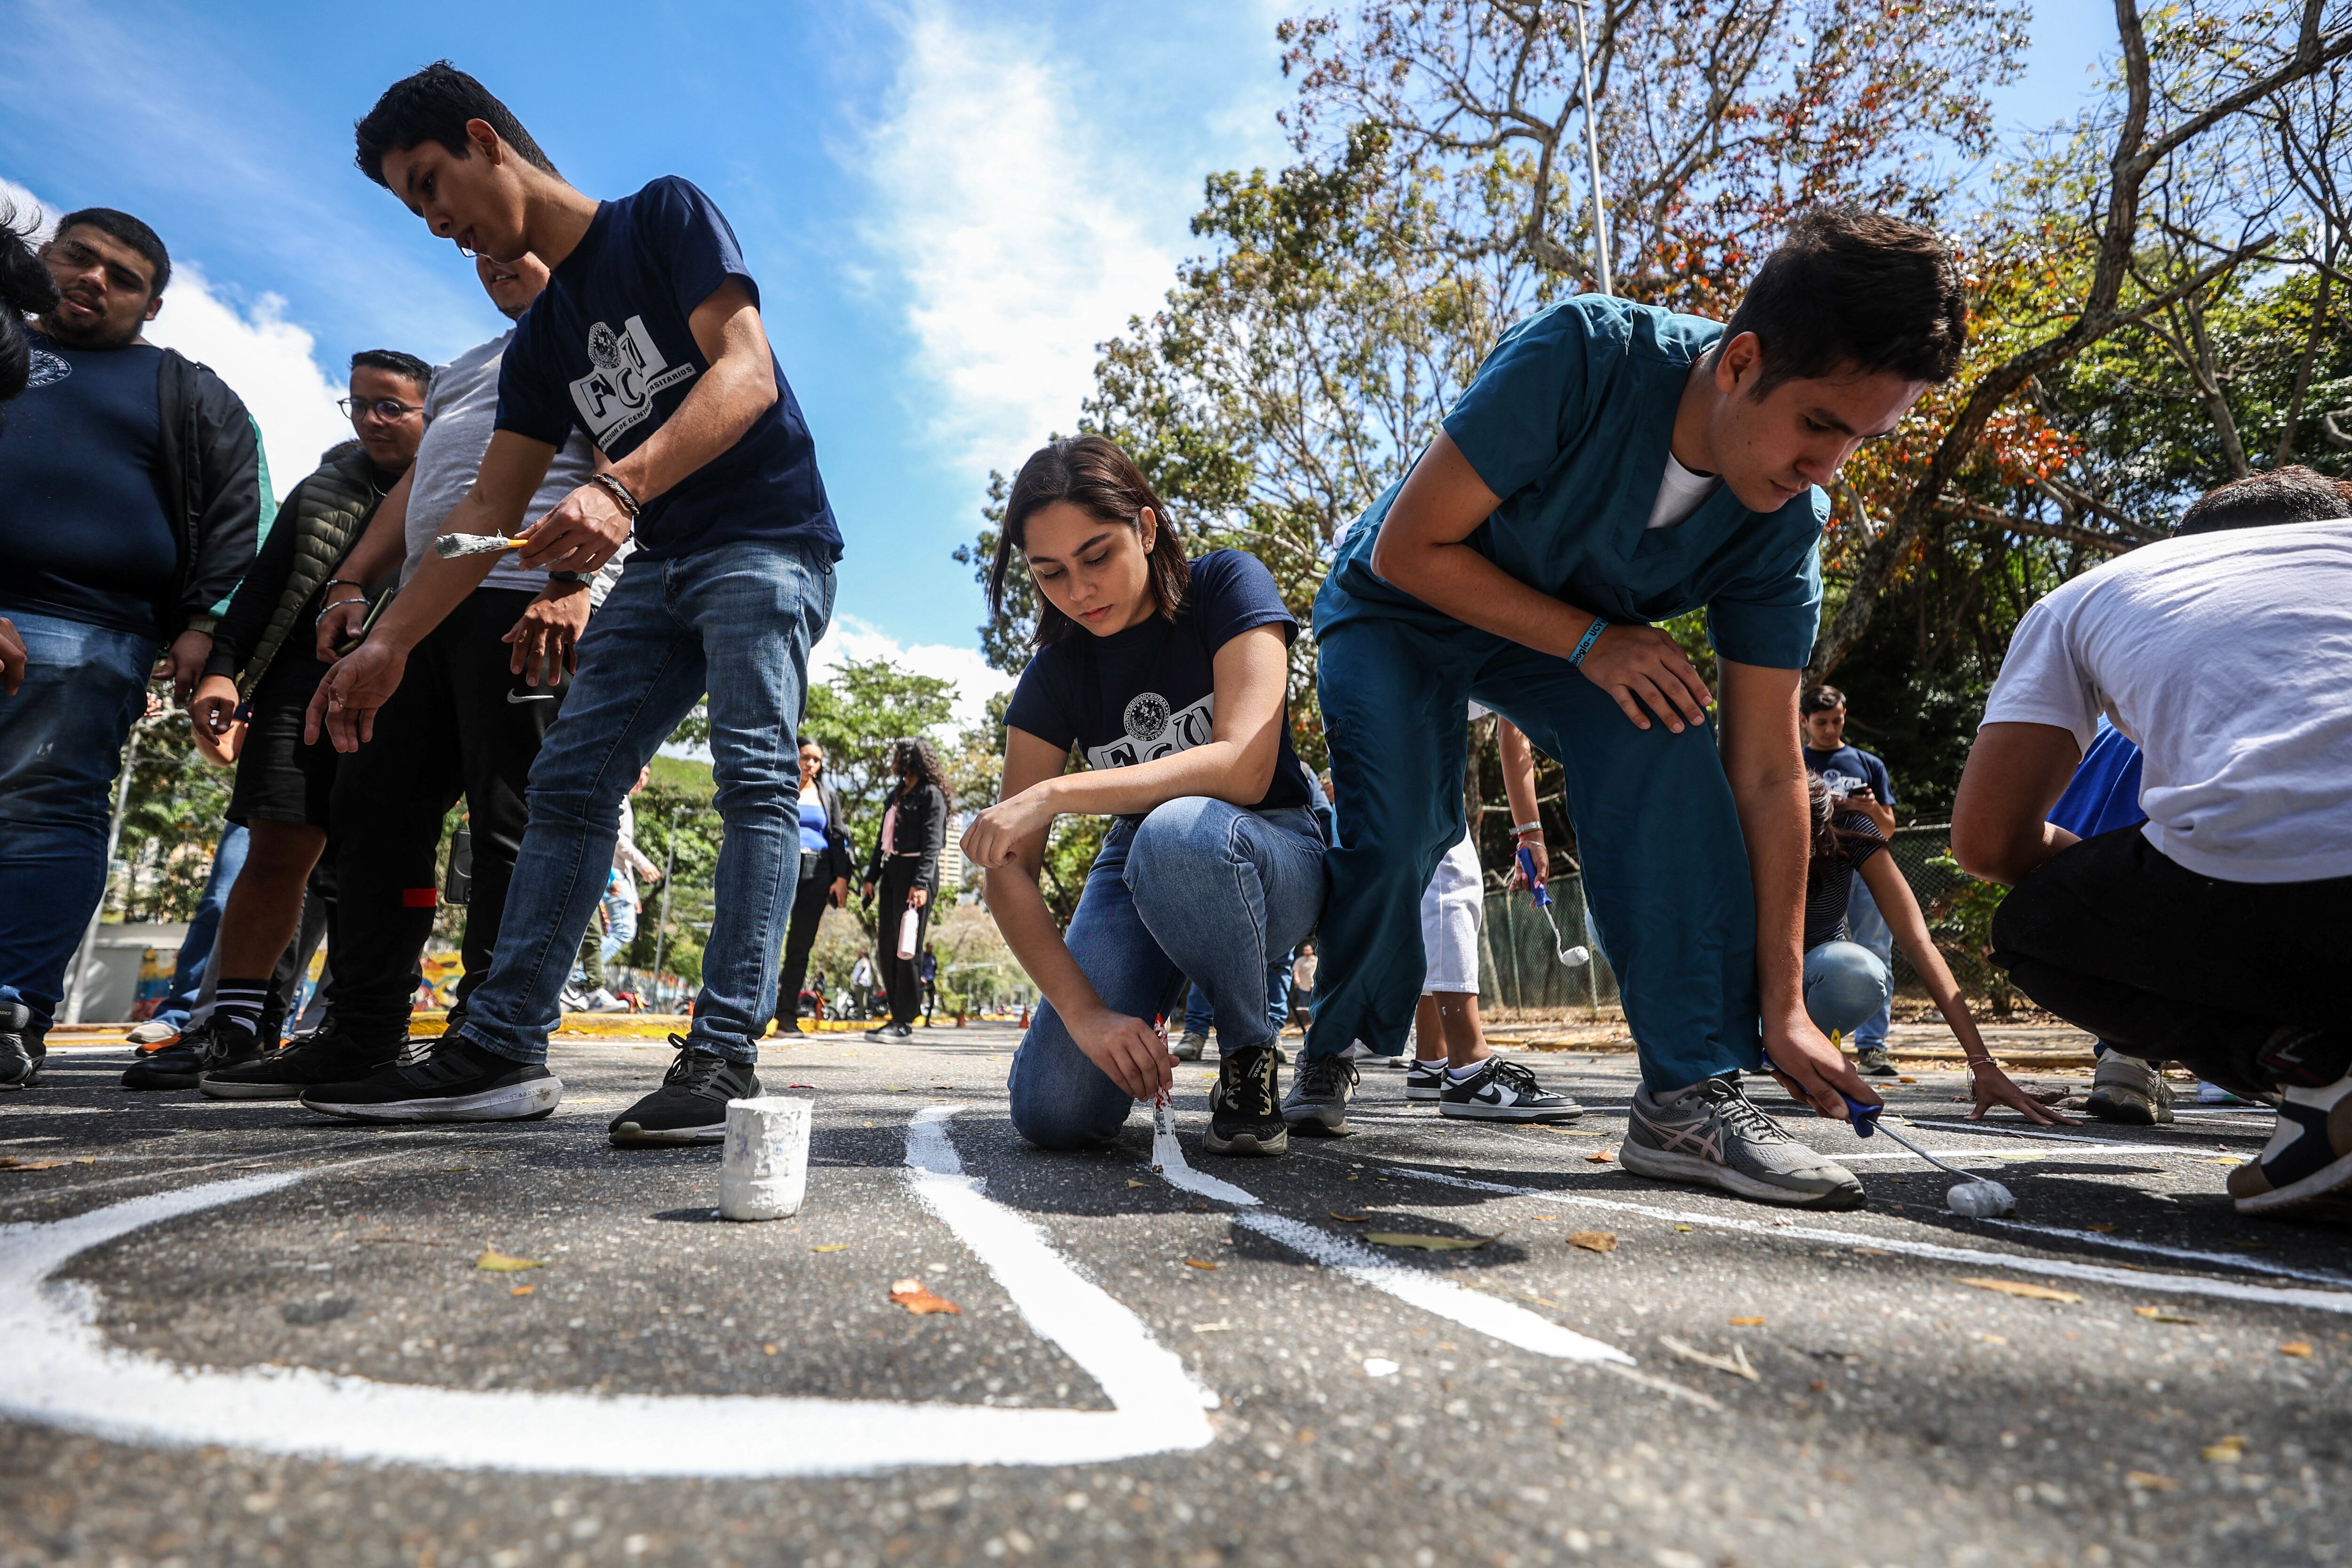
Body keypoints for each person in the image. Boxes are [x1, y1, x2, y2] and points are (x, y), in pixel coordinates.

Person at [1301, 207, 1968, 1208]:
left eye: (1859, 441)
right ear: (1740, 361)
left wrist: (1784, 1003)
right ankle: (1332, 1040)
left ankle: (1685, 1093)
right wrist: (1588, 639)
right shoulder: (1581, 354)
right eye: (1819, 424)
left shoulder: (1786, 526)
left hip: (1566, 635)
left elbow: (1771, 767)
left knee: (1665, 723)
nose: (1824, 466)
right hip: (1401, 600)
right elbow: (1410, 549)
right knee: (1403, 836)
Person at [306, 63, 842, 1143]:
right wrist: (391, 641)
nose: (435, 221)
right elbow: (490, 505)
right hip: (664, 562)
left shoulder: (662, 216)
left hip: (767, 543)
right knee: (566, 780)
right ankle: (500, 1043)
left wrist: (619, 484)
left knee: (750, 778)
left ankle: (722, 1055)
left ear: (483, 140)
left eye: (429, 185)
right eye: (412, 207)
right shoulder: (543, 341)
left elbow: (747, 376)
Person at [206, 255, 627, 1098]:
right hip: (428, 603)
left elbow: (624, 469)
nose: (496, 264)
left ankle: (491, 1037)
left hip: (524, 599)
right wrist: (357, 580)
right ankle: (362, 1031)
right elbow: (422, 489)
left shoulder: (603, 335)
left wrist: (570, 583)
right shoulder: (470, 366)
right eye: (479, 255)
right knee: (370, 814)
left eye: (515, 247)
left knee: (511, 823)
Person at [1952, 467, 2352, 1216]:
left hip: (2260, 904)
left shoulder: (2105, 592)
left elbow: (1987, 846)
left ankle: (2318, 1072)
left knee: (2034, 922)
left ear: (2188, 551)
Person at [966, 435, 1327, 1157]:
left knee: (1176, 830)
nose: (1078, 591)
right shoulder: (1054, 673)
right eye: (1050, 573)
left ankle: (1249, 1055)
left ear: (1147, 527)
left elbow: (1244, 769)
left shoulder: (1228, 585)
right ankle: (1063, 1043)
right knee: (1054, 1113)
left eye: (1097, 556)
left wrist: (1058, 793)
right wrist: (1084, 1015)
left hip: (1272, 840)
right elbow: (1007, 865)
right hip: (1143, 861)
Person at [0, 207, 263, 1089]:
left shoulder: (190, 392)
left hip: (91, 639)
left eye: (124, 277)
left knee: (48, 812)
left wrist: (205, 630)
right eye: (79, 257)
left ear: (151, 308)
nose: (94, 280)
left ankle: (11, 1003)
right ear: (44, 257)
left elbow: (240, 517)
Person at [127, 350, 429, 1090]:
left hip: (405, 688)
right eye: (358, 403)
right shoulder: (322, 488)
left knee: (379, 861)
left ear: (434, 414)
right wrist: (226, 669)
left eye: (391, 405)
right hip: (303, 684)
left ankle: (363, 1030)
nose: (370, 418)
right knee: (274, 849)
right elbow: (260, 589)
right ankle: (234, 1026)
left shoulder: (463, 488)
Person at [1799, 774, 2069, 1125]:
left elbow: (1916, 941)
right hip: (1740, 977)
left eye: (1808, 848)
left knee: (1858, 973)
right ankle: (1732, 1053)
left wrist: (1982, 1063)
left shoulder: (1845, 825)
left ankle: (1790, 1049)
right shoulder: (1735, 827)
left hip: (1808, 973)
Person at [1388, 709, 1584, 1124]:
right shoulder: (1525, 646)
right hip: (1387, 714)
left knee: (1434, 881)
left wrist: (1530, 832)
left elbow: (1514, 727)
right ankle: (1468, 1068)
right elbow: (1515, 723)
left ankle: (1433, 1059)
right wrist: (1530, 833)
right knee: (1451, 873)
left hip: (1398, 717)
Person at [125, 717, 248, 1047]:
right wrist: (202, 717)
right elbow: (224, 753)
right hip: (264, 799)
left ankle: (276, 1020)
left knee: (316, 909)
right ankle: (182, 1014)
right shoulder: (267, 674)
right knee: (219, 902)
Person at [1798, 683, 1899, 1073]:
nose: (1830, 729)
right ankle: (1794, 1033)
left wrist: (1869, 808)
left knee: (1875, 950)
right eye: (1821, 722)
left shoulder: (1867, 762)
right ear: (1805, 721)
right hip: (1814, 873)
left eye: (1837, 721)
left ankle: (1873, 1046)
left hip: (1863, 867)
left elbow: (1887, 829)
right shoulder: (1793, 761)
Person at [861, 739, 951, 1042]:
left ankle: (905, 1020)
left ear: (911, 758)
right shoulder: (895, 795)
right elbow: (881, 841)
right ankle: (895, 1015)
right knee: (887, 946)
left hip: (917, 875)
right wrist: (871, 878)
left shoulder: (931, 795)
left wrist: (922, 883)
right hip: (892, 872)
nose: (893, 759)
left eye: (898, 754)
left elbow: (933, 843)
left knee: (907, 948)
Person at [770, 739, 854, 1035]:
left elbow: (837, 837)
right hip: (783, 863)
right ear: (794, 756)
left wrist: (841, 878)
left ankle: (787, 1017)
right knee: (769, 939)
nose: (811, 764)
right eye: (806, 757)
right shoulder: (781, 786)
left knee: (800, 947)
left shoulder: (827, 797)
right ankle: (754, 1013)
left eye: (817, 760)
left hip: (819, 871)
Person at [567, 768, 660, 1014]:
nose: (643, 780)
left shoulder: (625, 800)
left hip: (618, 876)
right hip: (611, 873)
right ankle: (578, 981)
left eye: (648, 775)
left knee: (596, 933)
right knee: (620, 931)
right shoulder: (618, 797)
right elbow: (616, 839)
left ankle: (583, 985)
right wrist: (643, 864)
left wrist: (635, 894)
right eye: (640, 772)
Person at [849, 951, 875, 1021]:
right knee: (863, 1000)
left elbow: (864, 968)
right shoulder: (866, 961)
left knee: (861, 1000)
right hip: (864, 982)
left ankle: (861, 1015)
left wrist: (858, 978)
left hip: (861, 982)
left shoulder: (864, 961)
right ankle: (863, 1014)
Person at [918, 944, 939, 1027]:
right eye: (929, 947)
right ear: (927, 948)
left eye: (932, 948)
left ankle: (927, 1021)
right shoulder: (922, 957)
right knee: (919, 1000)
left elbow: (934, 969)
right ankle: (915, 1018)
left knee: (932, 1000)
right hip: (922, 981)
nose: (931, 949)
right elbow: (918, 968)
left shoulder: (933, 958)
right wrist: (921, 977)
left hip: (930, 982)